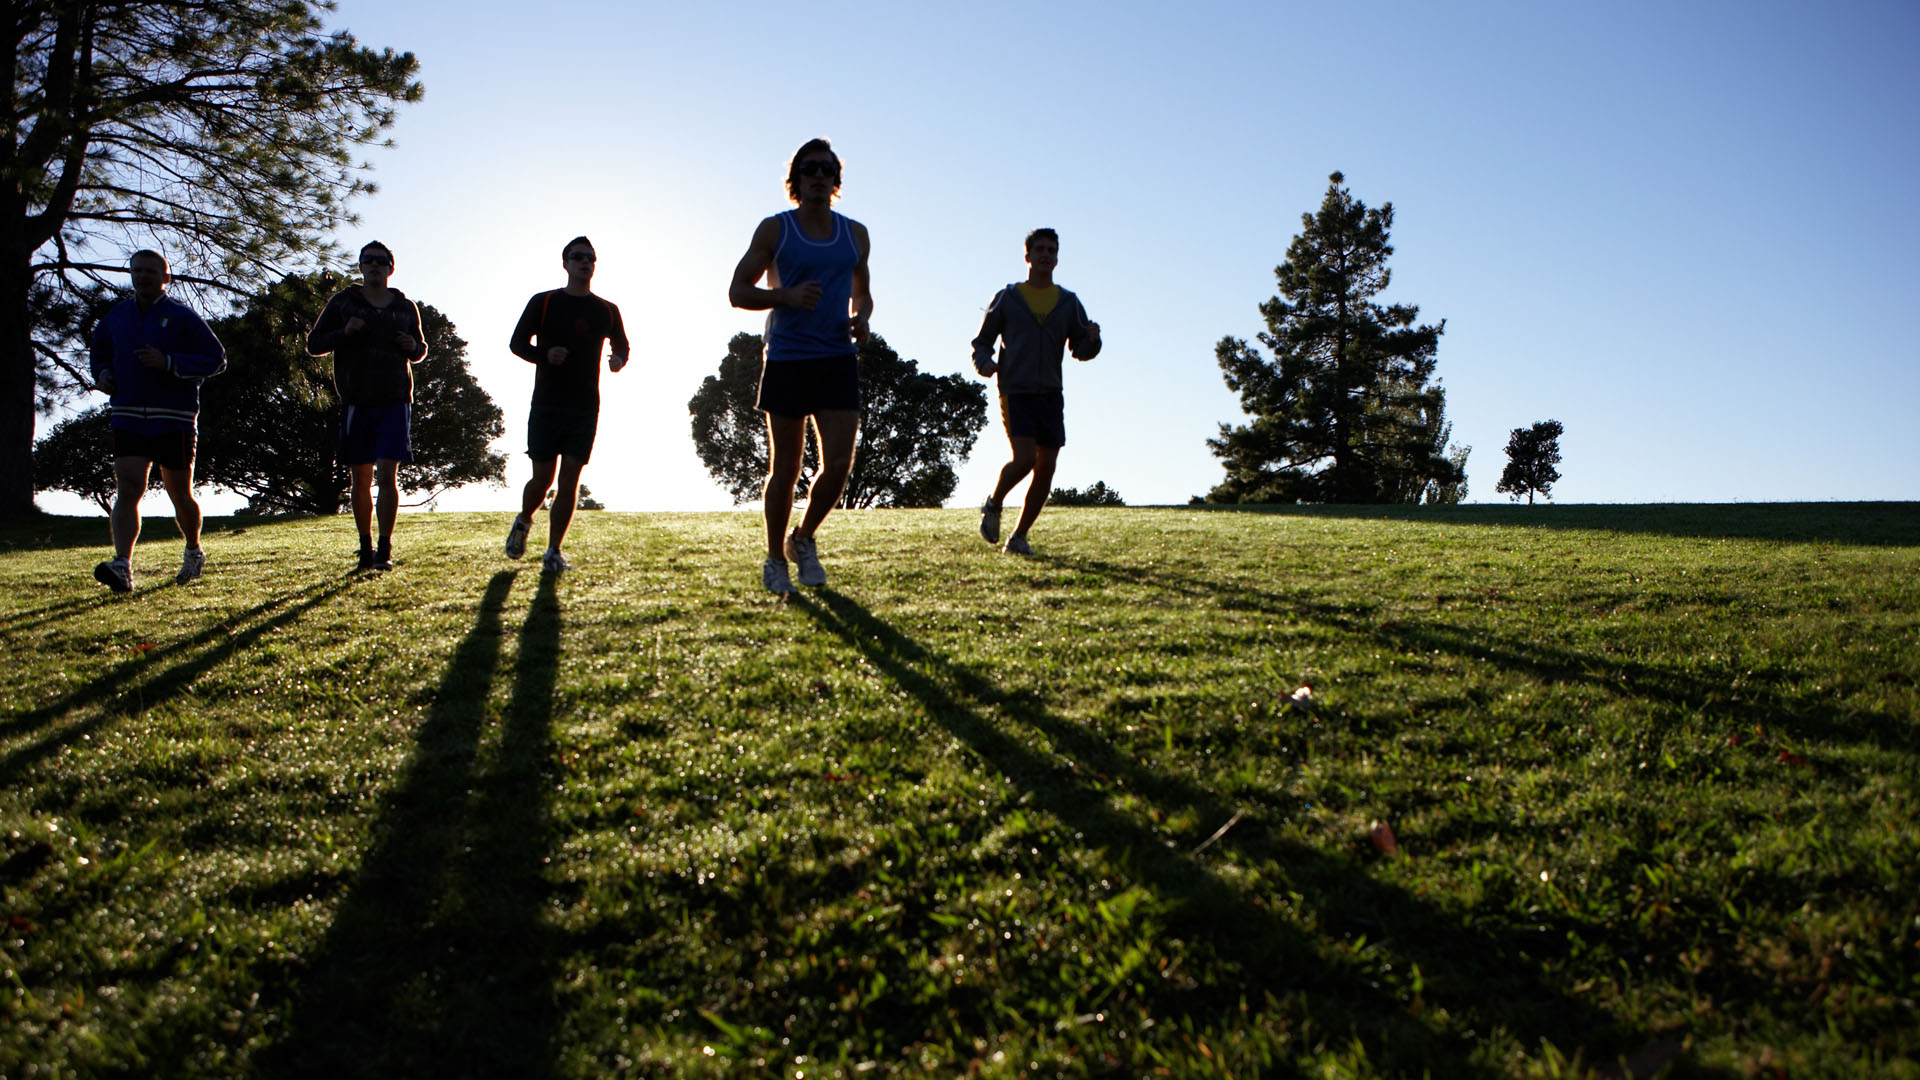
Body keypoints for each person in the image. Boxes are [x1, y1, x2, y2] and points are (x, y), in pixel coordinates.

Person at [727, 137, 872, 595]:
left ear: (836, 180)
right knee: (786, 468)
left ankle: (803, 538)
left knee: (839, 464)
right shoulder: (776, 229)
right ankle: (775, 560)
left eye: (827, 170)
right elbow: (737, 291)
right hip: (788, 357)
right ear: (796, 179)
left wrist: (862, 318)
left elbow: (863, 293)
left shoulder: (855, 234)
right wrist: (785, 296)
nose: (818, 176)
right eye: (810, 169)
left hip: (837, 357)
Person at [87, 249, 227, 591]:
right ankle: (122, 565)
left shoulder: (183, 317)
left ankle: (193, 549)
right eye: (137, 271)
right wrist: (102, 374)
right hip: (128, 415)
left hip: (174, 418)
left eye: (150, 271)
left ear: (165, 278)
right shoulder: (116, 317)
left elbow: (216, 359)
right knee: (128, 487)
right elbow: (99, 353)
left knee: (179, 493)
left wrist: (169, 363)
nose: (142, 277)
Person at [970, 228, 1101, 555]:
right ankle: (994, 503)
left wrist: (1093, 340)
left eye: (1051, 250)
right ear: (1027, 256)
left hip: (1051, 393)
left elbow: (1080, 349)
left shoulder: (1068, 302)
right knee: (1025, 459)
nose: (1046, 255)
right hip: (1016, 390)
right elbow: (982, 342)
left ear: (1057, 258)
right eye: (1040, 249)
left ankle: (1019, 537)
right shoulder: (1008, 297)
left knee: (1046, 466)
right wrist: (984, 363)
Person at [504, 236, 630, 573]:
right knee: (543, 479)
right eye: (577, 257)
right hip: (547, 403)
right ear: (565, 264)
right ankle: (524, 519)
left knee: (570, 477)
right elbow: (517, 343)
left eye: (590, 257)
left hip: (585, 405)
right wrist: (545, 355)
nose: (584, 262)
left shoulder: (607, 310)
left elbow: (622, 345)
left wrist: (618, 360)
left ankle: (554, 551)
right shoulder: (544, 302)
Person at [305, 241, 429, 571]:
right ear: (360, 267)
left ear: (391, 268)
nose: (374, 265)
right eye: (368, 260)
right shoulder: (343, 302)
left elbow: (420, 349)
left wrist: (412, 346)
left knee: (388, 476)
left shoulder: (405, 307)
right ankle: (365, 549)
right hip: (357, 401)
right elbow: (314, 344)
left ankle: (384, 550)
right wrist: (344, 333)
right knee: (360, 478)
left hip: (395, 400)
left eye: (381, 261)